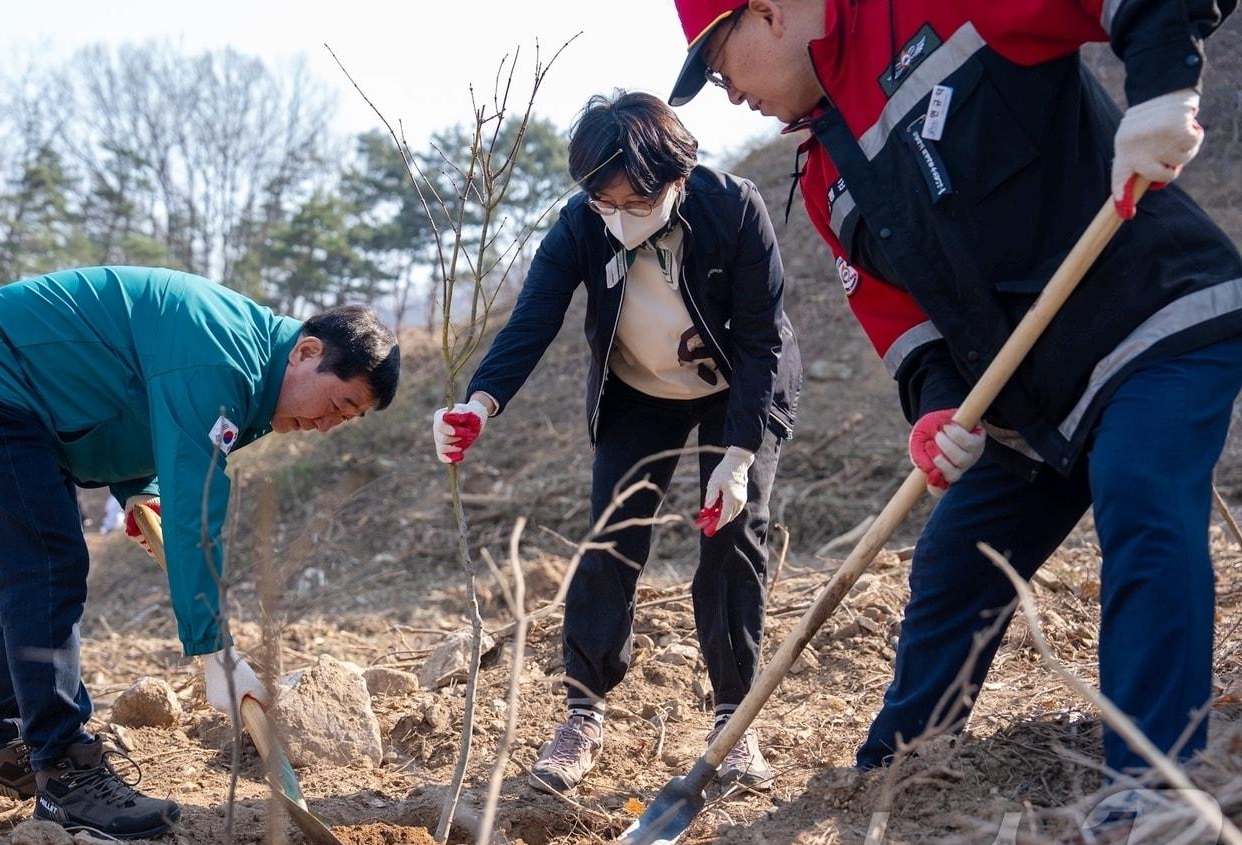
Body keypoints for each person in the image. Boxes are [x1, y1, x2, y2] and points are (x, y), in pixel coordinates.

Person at [667, 0, 1242, 776]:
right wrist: (937, 406)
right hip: (1027, 401)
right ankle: (895, 771)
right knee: (951, 560)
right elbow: (903, 324)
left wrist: (1165, 88)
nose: (726, 92)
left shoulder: (932, 7)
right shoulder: (826, 176)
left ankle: (1154, 784)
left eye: (716, 62)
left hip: (1149, 320)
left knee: (1140, 494)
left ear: (766, 13)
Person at [0, 266, 400, 838]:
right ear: (308, 351)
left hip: (14, 384)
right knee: (47, 566)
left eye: (344, 421)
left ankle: (6, 743)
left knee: (38, 567)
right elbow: (198, 506)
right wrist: (215, 649)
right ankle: (65, 774)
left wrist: (139, 492)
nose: (325, 425)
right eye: (336, 403)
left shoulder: (252, 375)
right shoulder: (223, 359)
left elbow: (143, 410)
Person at [432, 91, 801, 794]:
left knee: (732, 538)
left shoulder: (735, 209)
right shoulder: (582, 224)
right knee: (611, 536)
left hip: (736, 391)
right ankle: (583, 712)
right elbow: (533, 317)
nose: (618, 219)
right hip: (640, 392)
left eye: (637, 203)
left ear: (677, 179)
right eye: (605, 202)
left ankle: (734, 719)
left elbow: (762, 339)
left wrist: (741, 455)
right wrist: (479, 403)